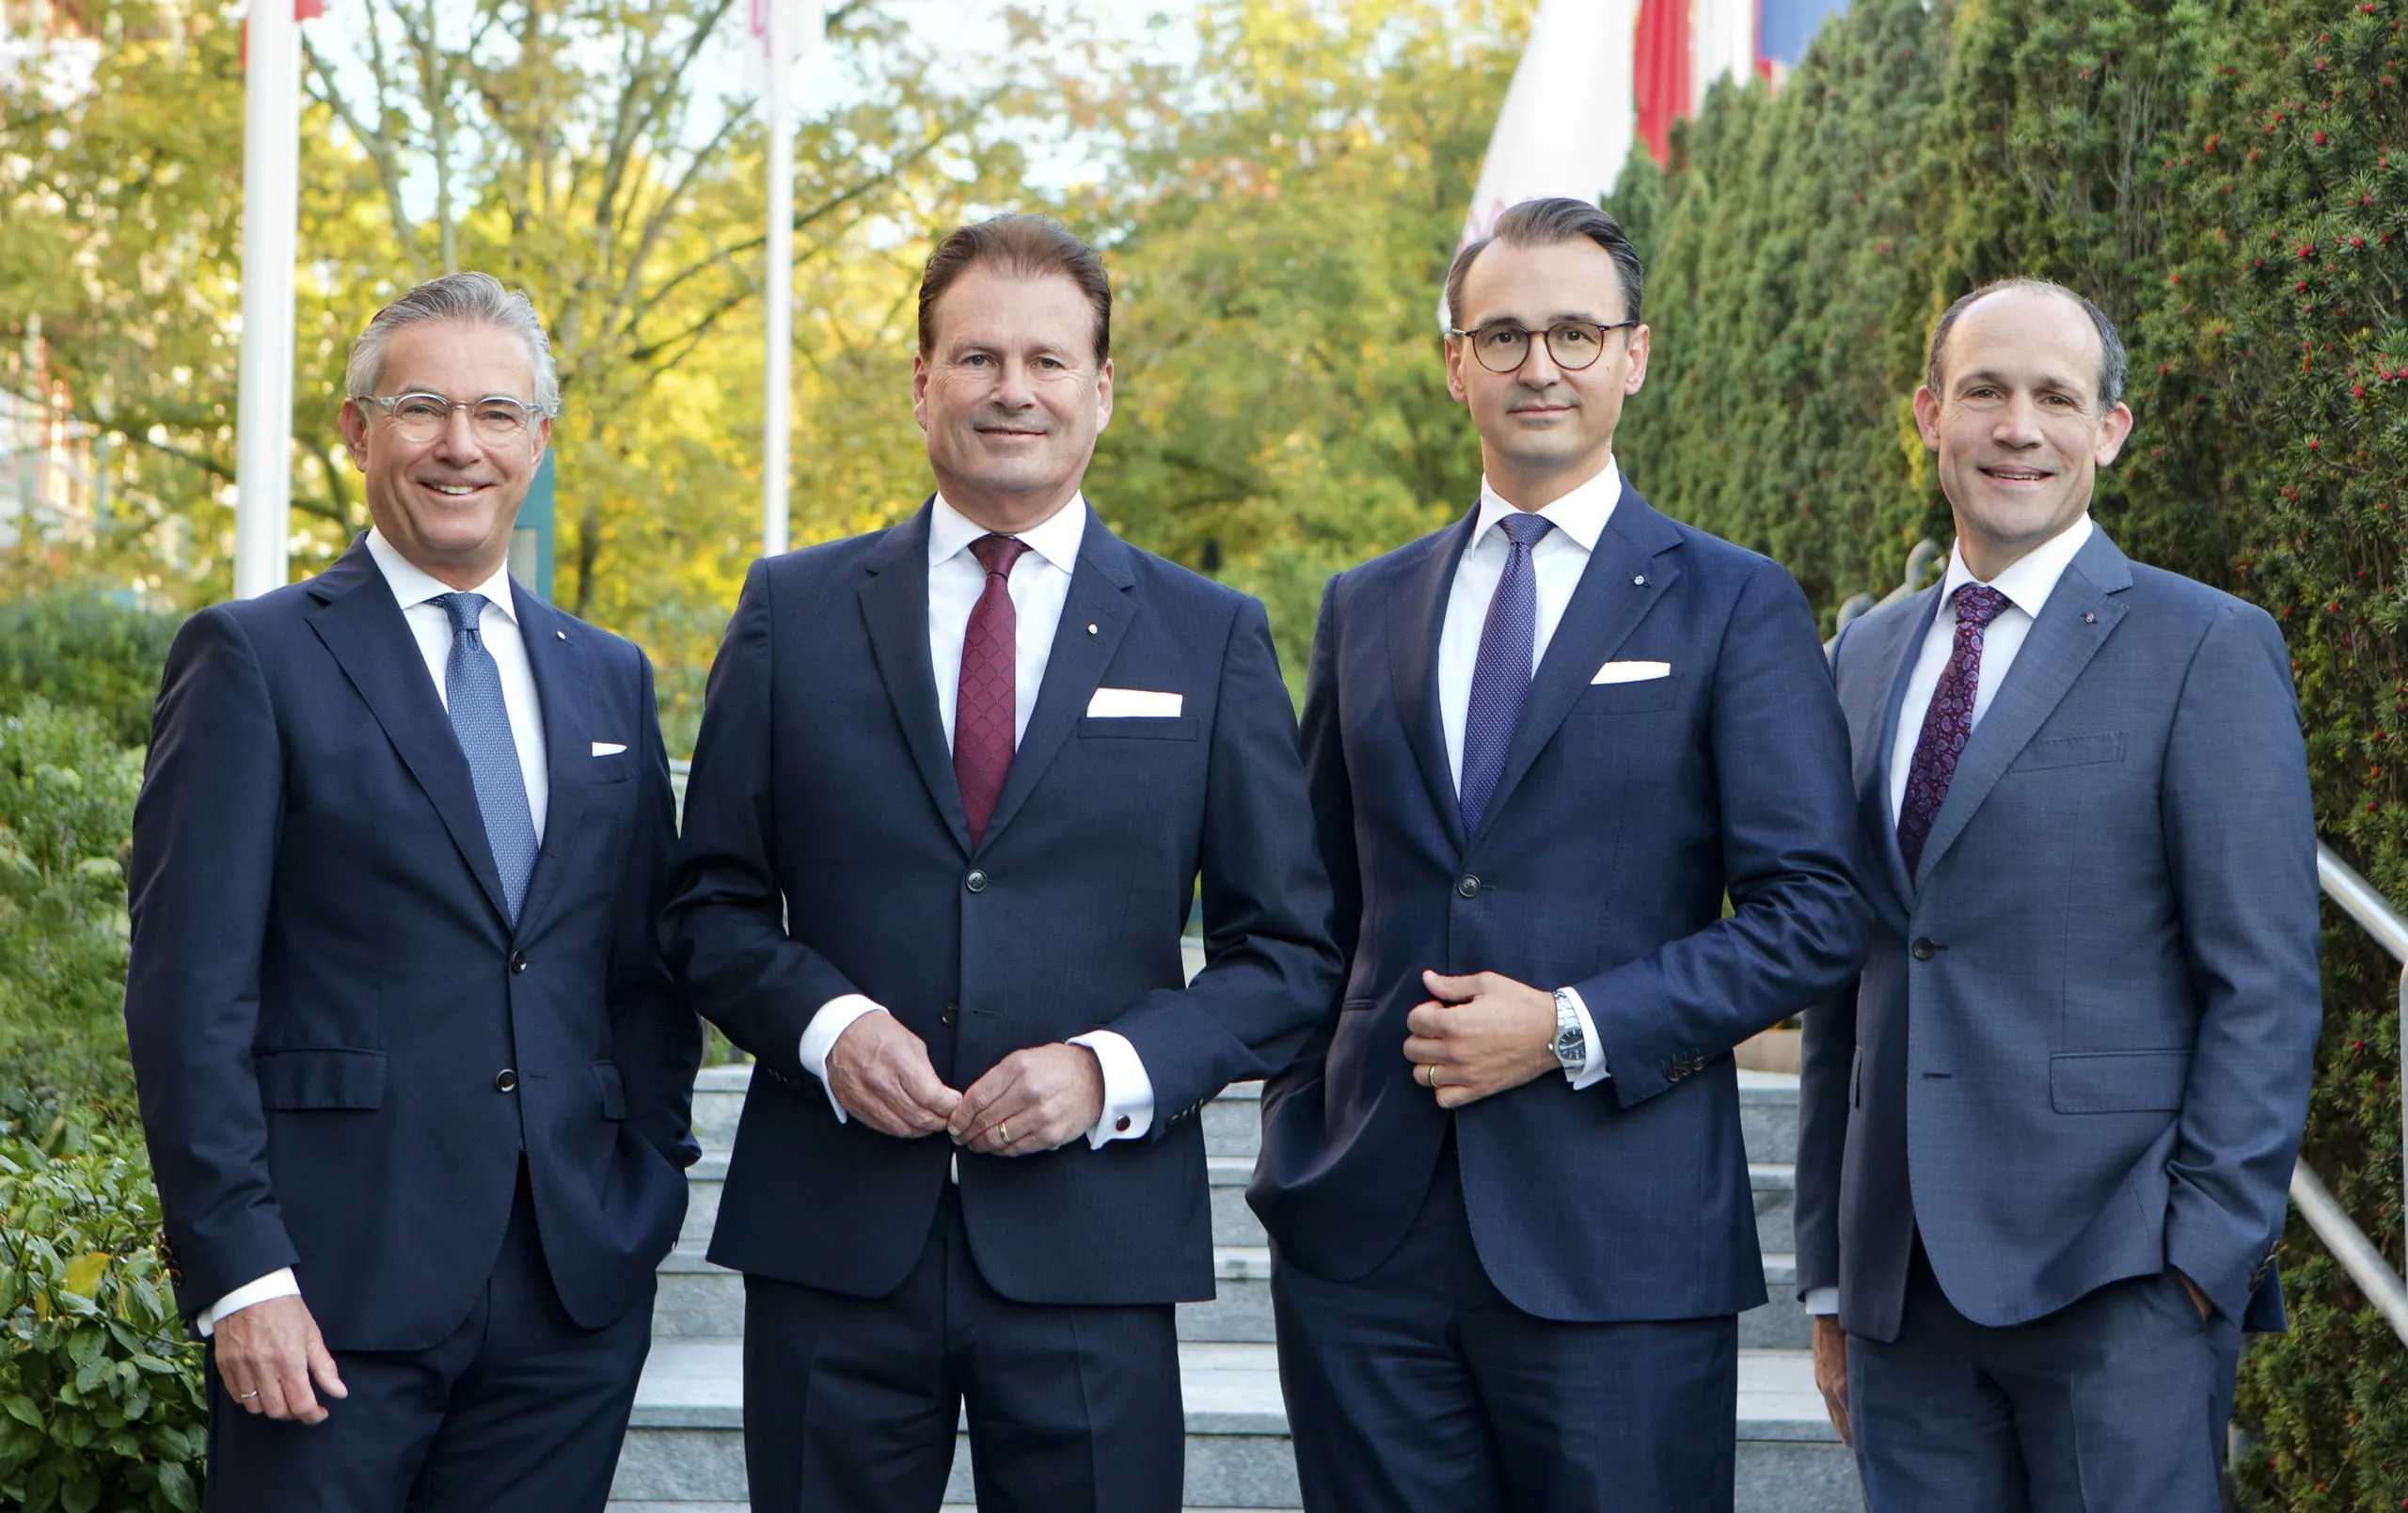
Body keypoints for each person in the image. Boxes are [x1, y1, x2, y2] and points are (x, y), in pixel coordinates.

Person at [662, 213, 1338, 1513]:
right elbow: (707, 907)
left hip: (1096, 1244)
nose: (1011, 389)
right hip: (834, 1238)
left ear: (1101, 388)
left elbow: (1291, 957)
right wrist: (829, 1028)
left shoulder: (1209, 636)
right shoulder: (792, 612)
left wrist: (1107, 1070)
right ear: (923, 383)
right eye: (977, 357)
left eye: (1046, 360)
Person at [1249, 196, 1867, 1512]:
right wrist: (1299, 1126)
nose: (1541, 364)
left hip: (1618, 1244)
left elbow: (1816, 912)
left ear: (1634, 356)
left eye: (1577, 333)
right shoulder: (1366, 604)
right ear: (1456, 362)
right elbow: (1313, 908)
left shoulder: (1735, 601)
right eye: (1506, 334)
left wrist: (1570, 1027)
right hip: (1363, 1241)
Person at [124, 271, 701, 1511]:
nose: (460, 445)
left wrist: (643, 1190)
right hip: (326, 1293)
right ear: (357, 428)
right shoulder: (254, 656)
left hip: (569, 1295)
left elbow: (643, 973)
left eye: (497, 413)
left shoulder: (609, 677)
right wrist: (244, 1274)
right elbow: (188, 996)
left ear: (539, 442)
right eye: (422, 407)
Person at [1794, 277, 2321, 1511]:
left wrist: (2201, 1260)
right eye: (1984, 391)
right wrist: (1832, 1277)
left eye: (2055, 397)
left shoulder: (2205, 647)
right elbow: (1844, 978)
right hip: (1902, 1293)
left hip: (2121, 1282)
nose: (2017, 427)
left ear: (2109, 430)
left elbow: (2264, 982)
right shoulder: (1861, 658)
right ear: (1930, 415)